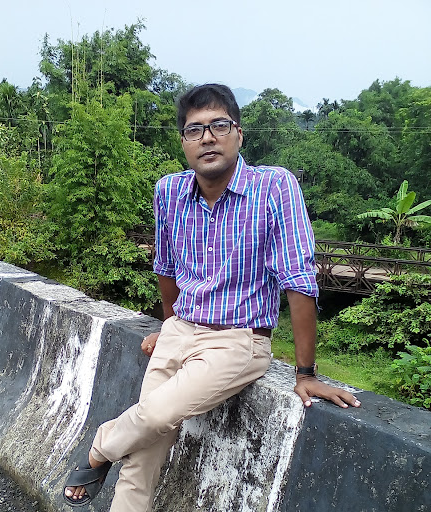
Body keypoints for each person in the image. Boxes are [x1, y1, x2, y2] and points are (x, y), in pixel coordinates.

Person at [63, 84, 361, 510]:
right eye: (194, 130)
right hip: (180, 330)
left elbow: (299, 280)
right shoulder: (169, 191)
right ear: (183, 142)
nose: (207, 137)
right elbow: (166, 267)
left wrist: (305, 373)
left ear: (238, 134)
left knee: (155, 415)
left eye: (219, 126)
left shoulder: (274, 187)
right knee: (143, 451)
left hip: (237, 340)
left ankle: (99, 448)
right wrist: (169, 324)